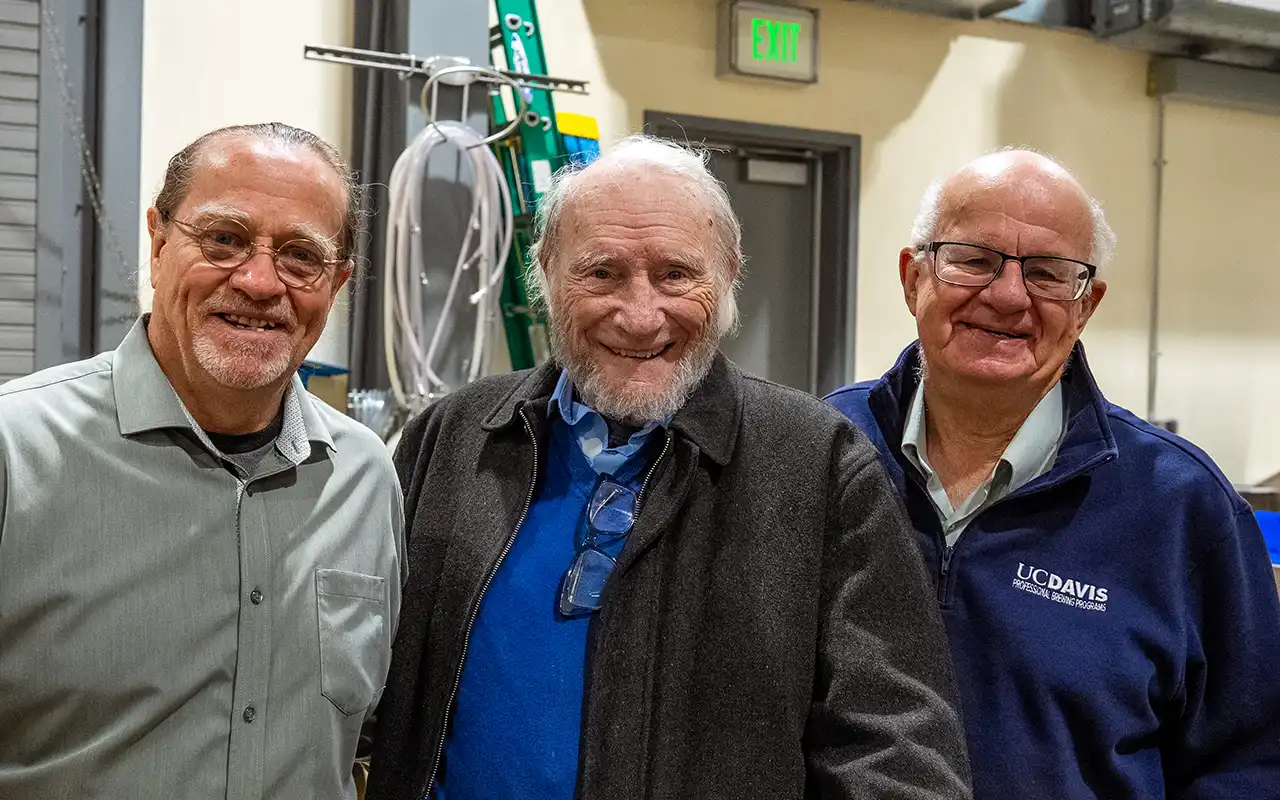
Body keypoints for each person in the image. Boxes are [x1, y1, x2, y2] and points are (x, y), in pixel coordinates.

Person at [367, 135, 971, 800]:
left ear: (730, 274)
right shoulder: (454, 437)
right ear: (544, 272)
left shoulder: (818, 467)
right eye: (600, 273)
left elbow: (895, 744)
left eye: (676, 275)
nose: (639, 314)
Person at [825, 149, 1280, 797]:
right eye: (974, 259)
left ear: (1087, 304)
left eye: (1047, 273)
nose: (1008, 296)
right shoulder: (826, 454)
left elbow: (1249, 766)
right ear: (912, 278)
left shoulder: (1183, 507)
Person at [0, 123, 404, 798]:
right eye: (224, 239)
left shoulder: (363, 478)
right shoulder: (17, 451)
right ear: (159, 245)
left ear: (335, 285)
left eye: (301, 256)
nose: (258, 281)